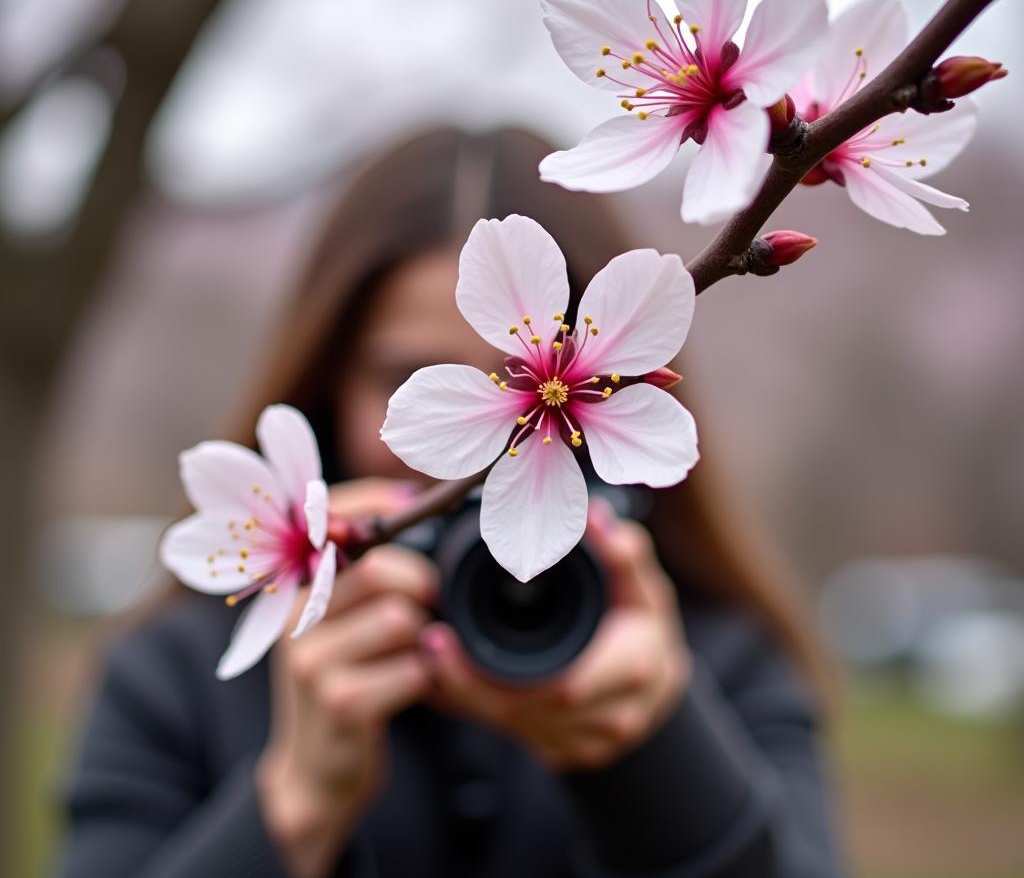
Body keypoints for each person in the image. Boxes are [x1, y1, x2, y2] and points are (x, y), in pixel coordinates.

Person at [58, 128, 845, 877]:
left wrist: (659, 747)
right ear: (328, 379)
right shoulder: (176, 672)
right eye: (407, 373)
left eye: (517, 367)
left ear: (635, 372)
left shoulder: (721, 657)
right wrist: (292, 808)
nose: (505, 426)